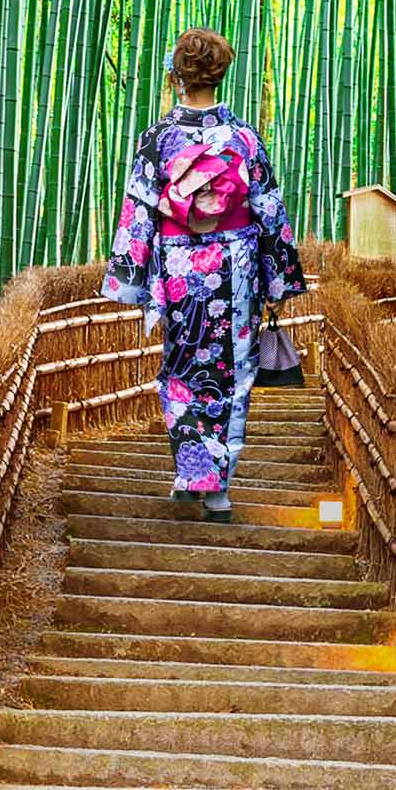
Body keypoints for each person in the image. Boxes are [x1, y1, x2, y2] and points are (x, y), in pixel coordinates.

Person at [101, 28, 306, 522]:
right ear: (220, 75)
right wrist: (278, 280)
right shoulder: (244, 138)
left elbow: (139, 212)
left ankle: (191, 474)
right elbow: (268, 211)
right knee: (232, 373)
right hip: (235, 270)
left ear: (176, 77)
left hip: (178, 271)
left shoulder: (157, 139)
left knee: (181, 369)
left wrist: (130, 279)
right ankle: (218, 492)